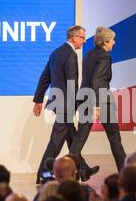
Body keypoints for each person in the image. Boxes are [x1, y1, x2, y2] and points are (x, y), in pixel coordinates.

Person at [33, 25, 98, 184]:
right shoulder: (70, 55)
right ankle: (43, 175)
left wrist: (38, 99)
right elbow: (72, 84)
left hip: (58, 102)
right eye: (82, 37)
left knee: (73, 139)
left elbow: (44, 77)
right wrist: (77, 106)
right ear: (73, 37)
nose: (84, 41)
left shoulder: (56, 53)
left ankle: (83, 169)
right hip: (66, 105)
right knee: (56, 142)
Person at [69, 27, 127, 176]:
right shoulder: (105, 57)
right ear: (105, 42)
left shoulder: (89, 54)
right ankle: (126, 173)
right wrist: (96, 105)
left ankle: (68, 171)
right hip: (100, 100)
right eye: (112, 40)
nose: (114, 42)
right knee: (114, 138)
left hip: (84, 97)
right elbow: (98, 80)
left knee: (79, 140)